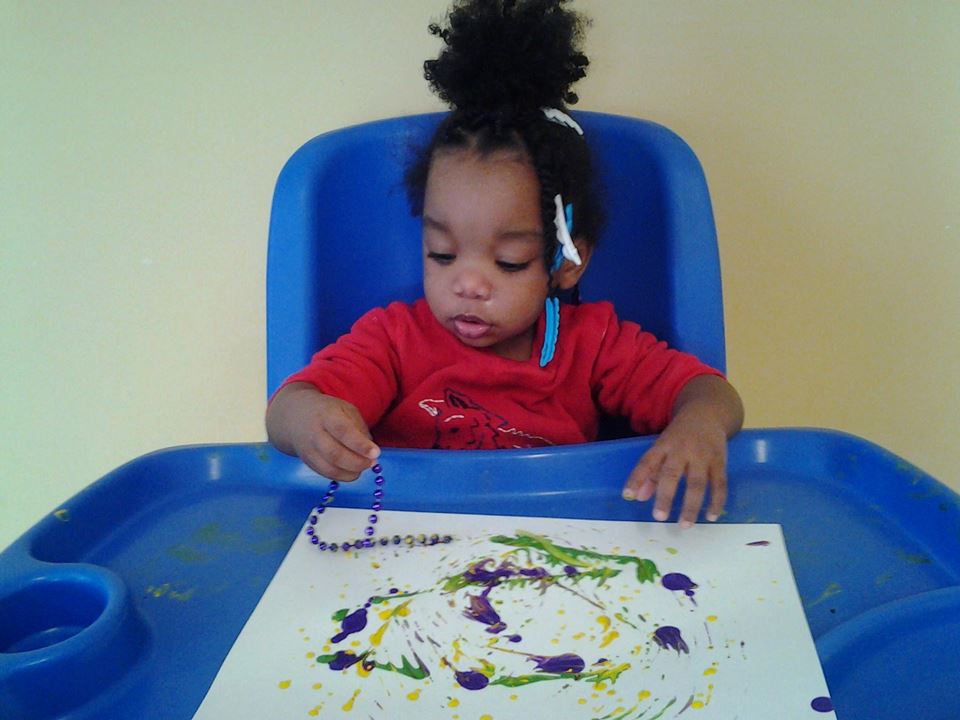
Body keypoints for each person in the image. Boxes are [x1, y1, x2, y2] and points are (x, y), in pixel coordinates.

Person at [266, 0, 743, 527]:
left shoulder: (594, 345)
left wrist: (699, 426)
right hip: (410, 540)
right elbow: (288, 408)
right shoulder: (394, 341)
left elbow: (709, 393)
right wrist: (307, 420)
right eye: (442, 254)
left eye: (509, 262)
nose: (468, 283)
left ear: (567, 262)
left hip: (552, 541)